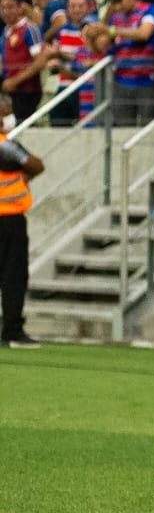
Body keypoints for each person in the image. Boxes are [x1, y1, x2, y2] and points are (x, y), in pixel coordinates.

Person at [0, 94, 44, 348]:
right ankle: (12, 331)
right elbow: (36, 165)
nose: (9, 117)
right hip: (9, 219)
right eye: (5, 113)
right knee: (13, 276)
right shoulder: (6, 145)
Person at [0, 0, 45, 123]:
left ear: (20, 8)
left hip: (28, 92)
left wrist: (15, 80)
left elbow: (40, 62)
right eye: (2, 8)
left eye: (10, 7)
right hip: (9, 91)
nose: (5, 11)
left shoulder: (29, 29)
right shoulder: (6, 31)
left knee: (22, 131)